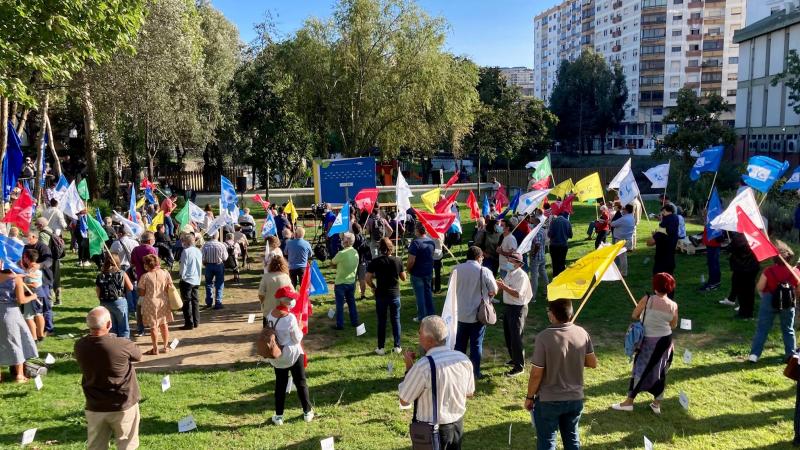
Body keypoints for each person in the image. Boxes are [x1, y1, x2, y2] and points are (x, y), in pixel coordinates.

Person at [524, 299, 597, 450]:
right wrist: (572, 357)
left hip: (549, 400)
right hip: (575, 398)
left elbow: (536, 374)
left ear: (552, 315)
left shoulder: (543, 338)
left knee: (547, 441)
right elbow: (592, 362)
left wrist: (529, 397)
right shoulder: (582, 333)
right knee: (572, 439)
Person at [399, 316, 475, 450]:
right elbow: (469, 393)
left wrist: (409, 369)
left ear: (429, 340)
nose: (418, 335)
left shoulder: (424, 366)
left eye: (420, 332)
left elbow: (405, 400)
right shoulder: (463, 359)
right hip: (457, 427)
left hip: (432, 432)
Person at [74, 307, 142, 450]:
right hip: (122, 404)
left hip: (95, 405)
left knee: (96, 446)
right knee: (127, 445)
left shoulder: (79, 346)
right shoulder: (121, 344)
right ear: (109, 324)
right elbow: (138, 355)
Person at [611, 273, 678, 414]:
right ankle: (656, 403)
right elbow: (673, 325)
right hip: (666, 341)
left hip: (650, 341)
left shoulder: (648, 299)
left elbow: (634, 315)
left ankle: (629, 402)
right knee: (660, 371)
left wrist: (644, 313)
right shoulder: (673, 305)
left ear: (655, 285)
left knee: (640, 369)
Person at [265, 286, 314, 426]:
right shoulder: (290, 318)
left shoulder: (270, 315)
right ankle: (307, 412)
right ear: (287, 301)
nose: (293, 301)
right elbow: (297, 338)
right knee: (301, 383)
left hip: (277, 356)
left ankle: (279, 415)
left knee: (280, 385)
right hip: (292, 354)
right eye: (292, 299)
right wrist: (300, 325)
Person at [748, 241, 799, 363]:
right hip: (788, 302)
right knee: (788, 329)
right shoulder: (795, 272)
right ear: (790, 258)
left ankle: (754, 355)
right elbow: (798, 288)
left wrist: (765, 295)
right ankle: (790, 355)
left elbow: (760, 287)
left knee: (762, 328)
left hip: (769, 300)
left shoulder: (768, 271)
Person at [452, 246, 497, 380]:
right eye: (482, 257)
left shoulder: (456, 270)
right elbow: (494, 289)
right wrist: (489, 296)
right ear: (479, 257)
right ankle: (475, 372)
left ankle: (458, 371)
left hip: (460, 313)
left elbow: (451, 290)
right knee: (476, 344)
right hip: (478, 315)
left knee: (459, 345)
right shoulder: (484, 271)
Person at [366, 237, 406, 355]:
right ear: (391, 248)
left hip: (381, 294)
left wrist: (373, 287)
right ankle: (397, 346)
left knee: (381, 321)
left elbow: (367, 278)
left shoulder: (375, 262)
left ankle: (381, 347)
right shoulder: (397, 260)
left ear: (380, 248)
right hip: (394, 294)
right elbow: (404, 278)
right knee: (396, 320)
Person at [0, 263, 39, 382]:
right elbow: (21, 300)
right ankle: (19, 375)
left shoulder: (17, 277)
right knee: (16, 342)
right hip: (10, 313)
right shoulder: (16, 278)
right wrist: (33, 297)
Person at [497, 251, 533, 377]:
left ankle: (519, 366)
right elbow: (507, 288)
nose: (509, 263)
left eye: (511, 261)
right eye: (509, 260)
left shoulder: (522, 276)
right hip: (509, 307)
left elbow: (517, 293)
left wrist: (504, 287)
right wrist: (501, 286)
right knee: (509, 335)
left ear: (518, 264)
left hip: (518, 309)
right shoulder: (510, 273)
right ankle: (514, 358)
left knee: (516, 337)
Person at [137, 254, 173, 355]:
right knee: (164, 323)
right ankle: (165, 346)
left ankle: (155, 348)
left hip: (150, 303)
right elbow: (169, 287)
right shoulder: (165, 273)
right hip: (163, 301)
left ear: (147, 265)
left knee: (153, 326)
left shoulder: (145, 276)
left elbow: (142, 293)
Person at [95, 254, 133, 339]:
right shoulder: (122, 273)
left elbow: (97, 290)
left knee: (111, 327)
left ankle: (113, 346)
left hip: (105, 302)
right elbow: (130, 287)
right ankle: (124, 346)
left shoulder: (100, 275)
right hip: (119, 302)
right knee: (123, 327)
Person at [725, 231, 760, 318]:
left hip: (741, 267)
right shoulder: (756, 235)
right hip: (753, 266)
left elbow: (729, 249)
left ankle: (744, 313)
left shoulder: (738, 237)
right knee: (750, 290)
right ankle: (749, 311)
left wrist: (730, 245)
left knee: (742, 291)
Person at [24, 230, 54, 335]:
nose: (25, 238)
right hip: (30, 280)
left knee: (45, 305)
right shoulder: (26, 247)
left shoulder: (43, 247)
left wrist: (39, 265)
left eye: (26, 236)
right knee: (35, 308)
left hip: (44, 280)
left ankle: (49, 328)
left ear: (34, 236)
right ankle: (37, 329)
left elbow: (49, 261)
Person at [330, 232, 360, 330]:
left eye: (343, 239)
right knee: (351, 303)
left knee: (339, 304)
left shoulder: (341, 253)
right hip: (351, 282)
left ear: (346, 242)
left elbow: (332, 262)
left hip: (341, 283)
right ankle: (355, 321)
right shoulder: (355, 252)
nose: (342, 241)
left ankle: (340, 324)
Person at [130, 231, 157, 336]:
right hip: (151, 280)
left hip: (140, 280)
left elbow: (132, 263)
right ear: (150, 240)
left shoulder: (135, 249)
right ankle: (153, 326)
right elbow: (155, 264)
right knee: (153, 303)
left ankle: (140, 328)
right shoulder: (151, 249)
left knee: (140, 305)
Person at [407, 222, 436, 322]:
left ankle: (421, 316)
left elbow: (411, 261)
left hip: (417, 273)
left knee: (420, 295)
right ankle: (431, 313)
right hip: (428, 272)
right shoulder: (431, 242)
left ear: (418, 230)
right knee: (428, 293)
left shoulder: (415, 243)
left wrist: (408, 269)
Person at [259, 256, 293, 326]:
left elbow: (261, 294)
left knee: (268, 333)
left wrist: (263, 303)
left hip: (268, 311)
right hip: (282, 312)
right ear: (284, 264)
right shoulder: (286, 277)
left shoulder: (266, 277)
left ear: (270, 265)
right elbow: (292, 294)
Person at [36, 217, 63, 305]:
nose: (36, 227)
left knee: (48, 279)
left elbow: (44, 248)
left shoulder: (42, 234)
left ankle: (50, 300)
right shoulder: (51, 230)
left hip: (48, 259)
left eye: (37, 225)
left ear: (41, 225)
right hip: (56, 258)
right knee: (56, 279)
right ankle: (58, 299)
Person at [647, 204, 680, 277]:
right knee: (669, 281)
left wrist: (654, 235)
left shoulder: (663, 229)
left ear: (665, 212)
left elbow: (650, 243)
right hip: (670, 259)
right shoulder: (675, 221)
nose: (661, 215)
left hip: (661, 261)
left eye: (663, 213)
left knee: (660, 282)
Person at [178, 233, 202, 330]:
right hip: (196, 278)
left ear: (186, 242)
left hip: (187, 279)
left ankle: (189, 323)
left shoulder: (186, 251)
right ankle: (196, 321)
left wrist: (181, 276)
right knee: (195, 301)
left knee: (187, 302)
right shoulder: (198, 251)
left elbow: (183, 265)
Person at [21, 248, 45, 341]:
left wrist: (21, 284)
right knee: (39, 314)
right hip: (38, 294)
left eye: (24, 257)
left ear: (27, 258)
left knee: (29, 317)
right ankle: (40, 335)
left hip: (32, 295)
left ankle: (34, 338)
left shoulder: (33, 271)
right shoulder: (32, 269)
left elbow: (33, 285)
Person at [201, 232, 228, 310]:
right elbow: (225, 257)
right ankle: (218, 302)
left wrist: (205, 262)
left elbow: (202, 257)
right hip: (219, 265)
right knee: (219, 283)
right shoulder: (221, 245)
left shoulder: (206, 245)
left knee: (208, 283)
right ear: (218, 236)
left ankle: (209, 302)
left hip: (208, 265)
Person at [610, 204, 636, 277]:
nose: (622, 210)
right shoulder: (632, 217)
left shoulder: (623, 218)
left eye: (624, 209)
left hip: (621, 240)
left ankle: (623, 273)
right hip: (627, 239)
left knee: (622, 258)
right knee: (622, 257)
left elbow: (612, 224)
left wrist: (611, 219)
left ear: (626, 210)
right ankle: (620, 270)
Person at [528, 216, 548, 302]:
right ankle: (547, 291)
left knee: (534, 277)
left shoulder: (536, 232)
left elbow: (537, 244)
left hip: (536, 257)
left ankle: (533, 297)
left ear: (535, 223)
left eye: (532, 222)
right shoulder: (543, 230)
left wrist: (532, 253)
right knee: (543, 274)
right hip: (542, 256)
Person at [699, 224, 723, 291]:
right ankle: (714, 281)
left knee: (713, 263)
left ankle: (713, 283)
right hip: (711, 243)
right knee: (713, 263)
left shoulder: (714, 217)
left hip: (713, 243)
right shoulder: (711, 217)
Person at [548, 212, 572, 277]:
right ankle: (562, 277)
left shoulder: (553, 222)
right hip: (563, 245)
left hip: (554, 245)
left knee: (555, 262)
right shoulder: (567, 222)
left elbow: (550, 234)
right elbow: (570, 235)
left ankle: (555, 276)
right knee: (562, 262)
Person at [352, 223, 370, 299]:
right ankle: (363, 295)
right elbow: (367, 249)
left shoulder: (352, 238)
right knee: (362, 279)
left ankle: (351, 296)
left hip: (353, 261)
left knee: (353, 280)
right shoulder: (363, 238)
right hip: (362, 260)